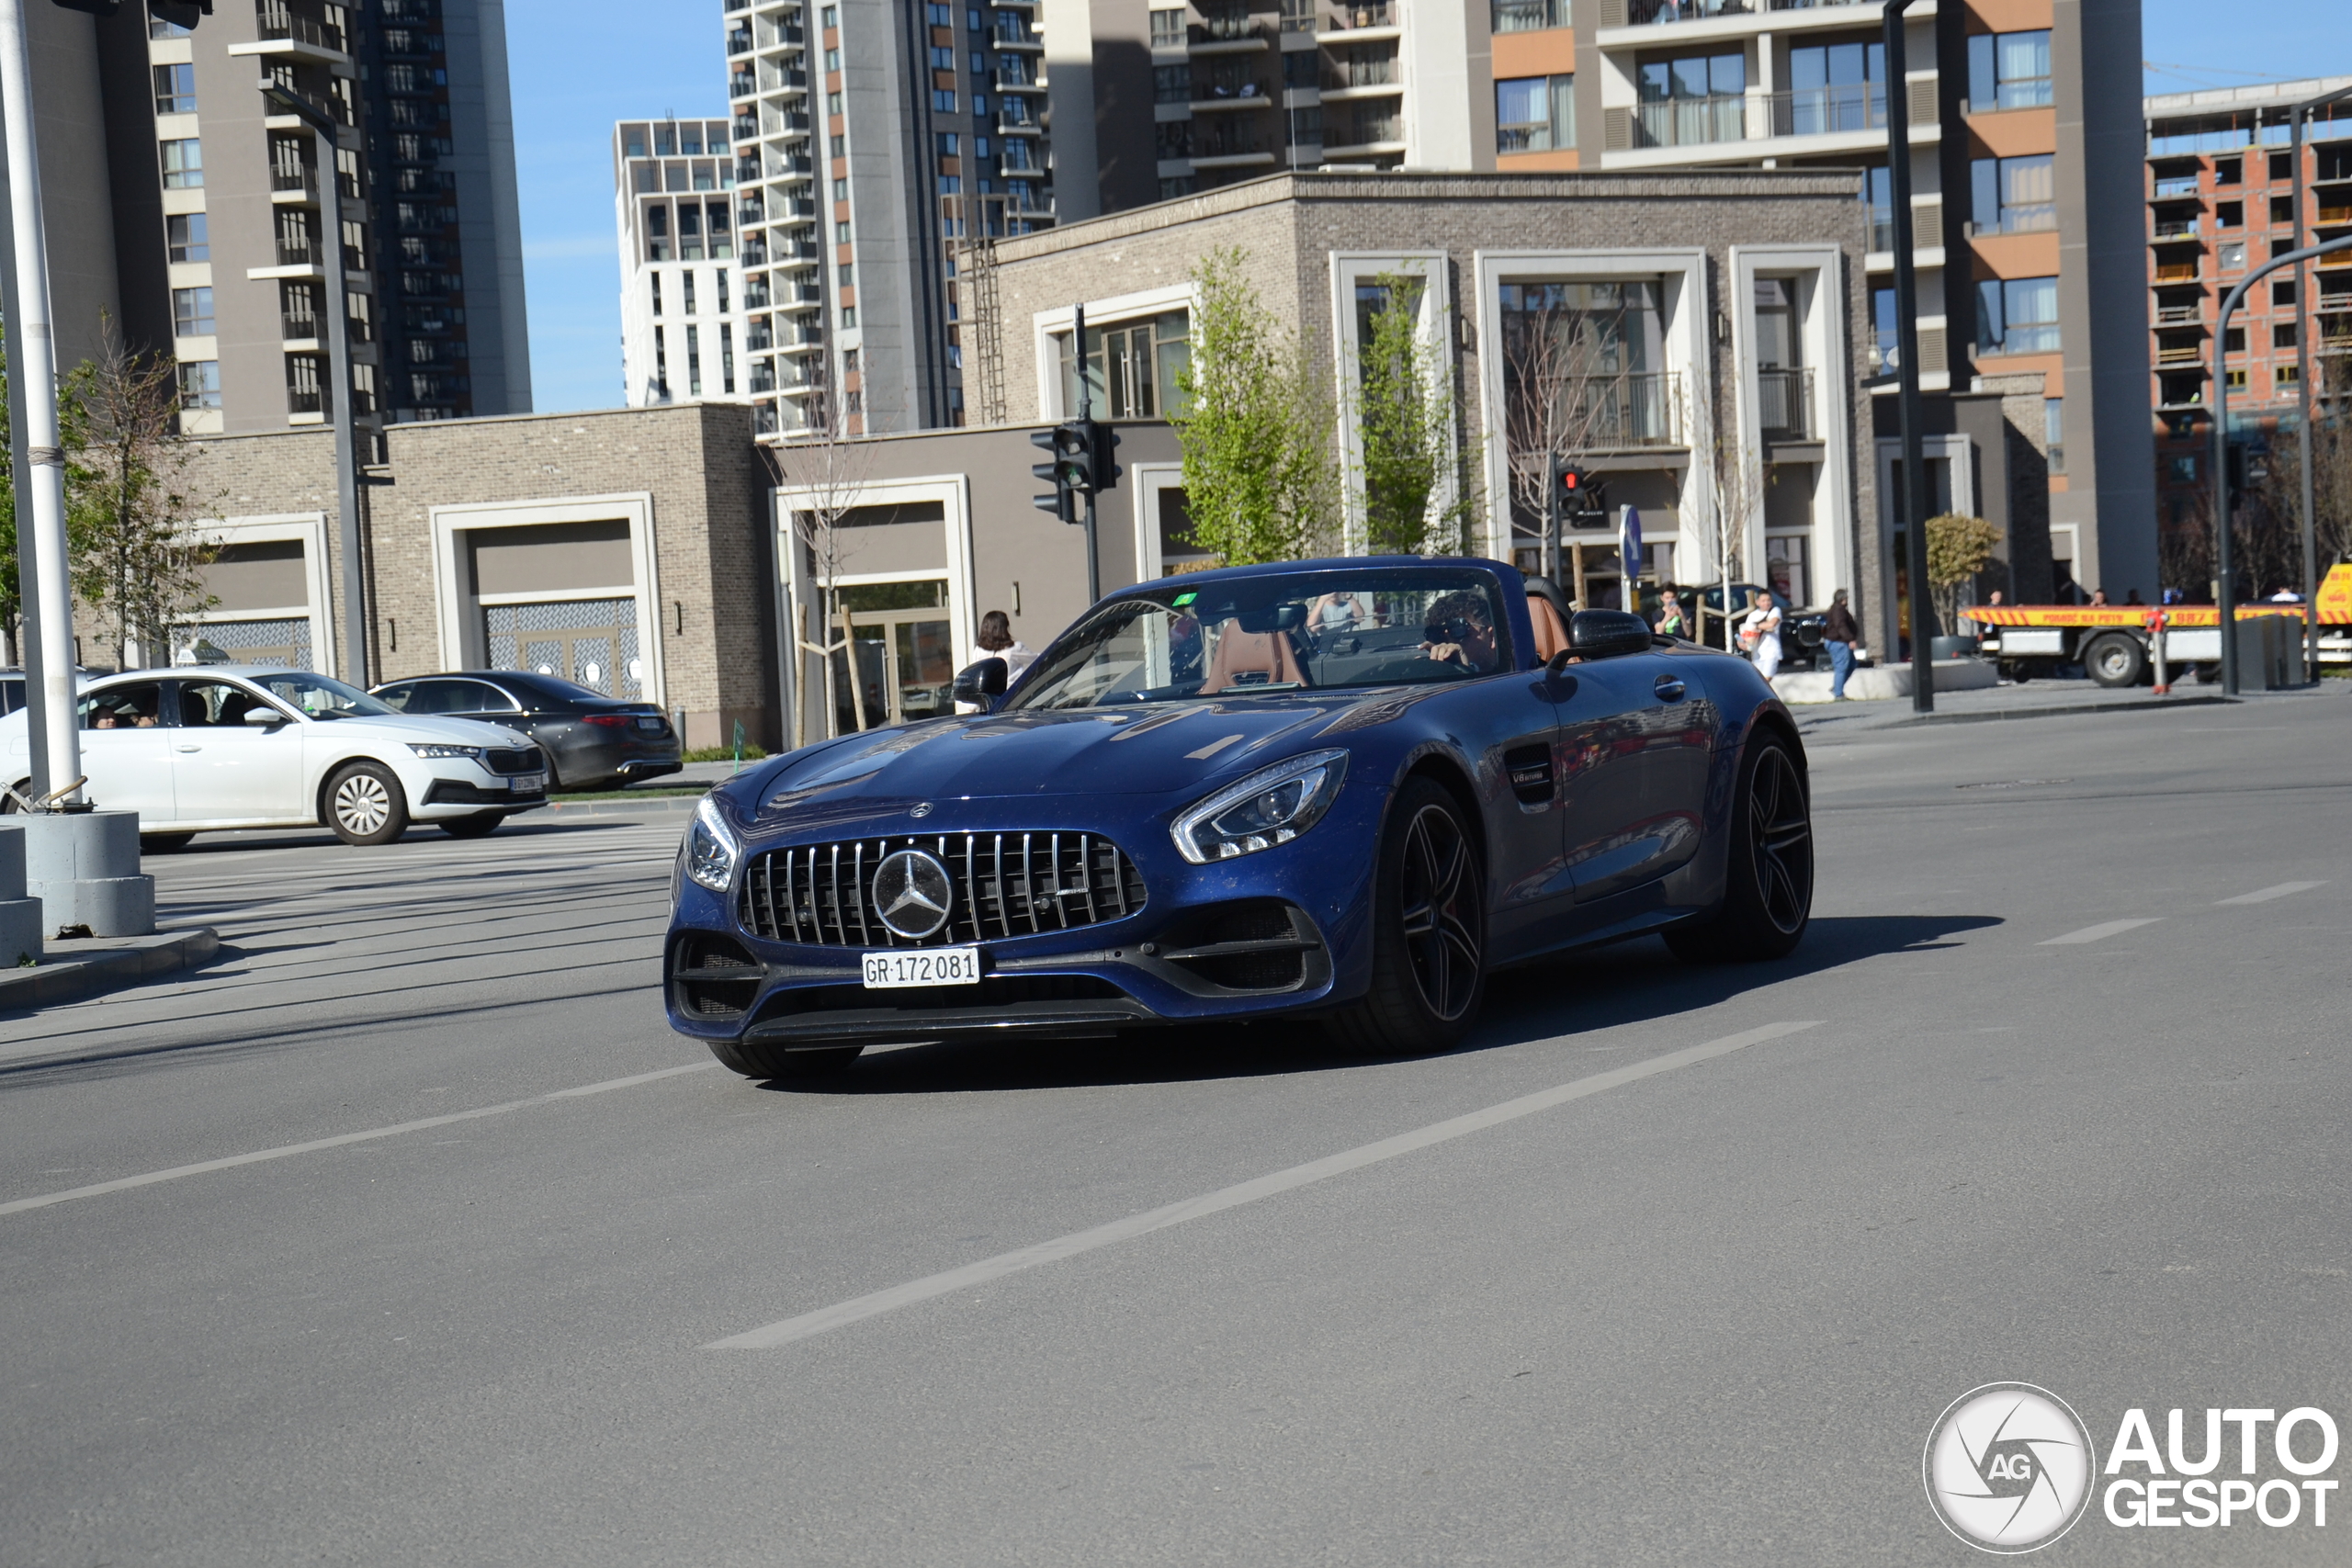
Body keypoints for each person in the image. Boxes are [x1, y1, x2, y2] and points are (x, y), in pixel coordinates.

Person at [1419, 591, 1498, 672]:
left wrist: (1466, 670)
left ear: (1492, 637)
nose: (1448, 644)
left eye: (1458, 629)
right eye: (1438, 634)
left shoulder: (1510, 675)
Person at [1822, 588, 1860, 700]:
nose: (1847, 599)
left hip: (1839, 642)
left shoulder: (1838, 609)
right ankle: (1838, 694)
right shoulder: (1839, 610)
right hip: (1838, 642)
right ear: (1843, 599)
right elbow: (1841, 626)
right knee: (1841, 667)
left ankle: (1837, 687)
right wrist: (1850, 639)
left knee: (1852, 664)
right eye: (1846, 598)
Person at [976, 609, 1035, 679]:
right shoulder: (1014, 648)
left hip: (988, 689)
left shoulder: (978, 650)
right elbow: (1038, 659)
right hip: (1012, 688)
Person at [1739, 589, 1784, 682]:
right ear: (1757, 602)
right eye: (1763, 601)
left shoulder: (1775, 611)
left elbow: (1772, 624)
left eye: (1769, 600)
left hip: (1771, 652)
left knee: (1766, 680)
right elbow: (1746, 632)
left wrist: (1756, 626)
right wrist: (1741, 642)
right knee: (1758, 681)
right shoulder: (1752, 615)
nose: (1766, 603)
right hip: (1757, 654)